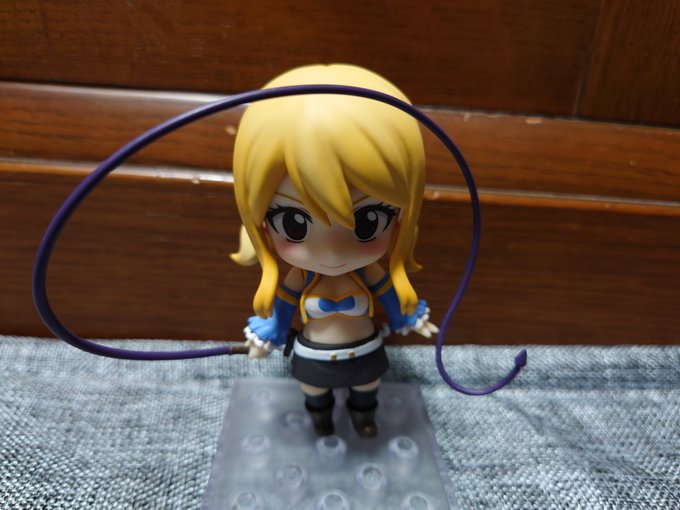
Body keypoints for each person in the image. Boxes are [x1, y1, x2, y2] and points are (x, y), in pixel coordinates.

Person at [230, 64, 437, 438]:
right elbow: (283, 308)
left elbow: (389, 294)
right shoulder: (300, 277)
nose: (331, 251)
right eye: (294, 223)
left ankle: (363, 416)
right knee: (313, 390)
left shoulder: (369, 273)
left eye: (369, 220)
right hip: (314, 354)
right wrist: (269, 333)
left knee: (367, 386)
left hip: (365, 349)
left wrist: (408, 315)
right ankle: (321, 419)